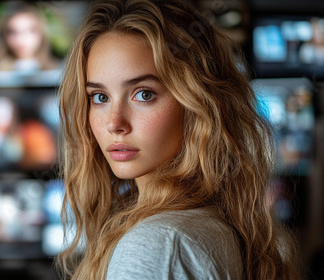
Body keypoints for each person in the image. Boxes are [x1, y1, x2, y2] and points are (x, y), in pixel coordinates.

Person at [56, 0, 301, 279]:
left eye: (144, 94)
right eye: (100, 97)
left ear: (197, 104)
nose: (114, 123)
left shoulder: (159, 245)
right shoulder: (210, 223)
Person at [0, 2, 59, 72]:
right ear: (4, 36)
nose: (20, 39)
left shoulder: (57, 72)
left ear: (41, 34)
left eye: (29, 31)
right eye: (13, 32)